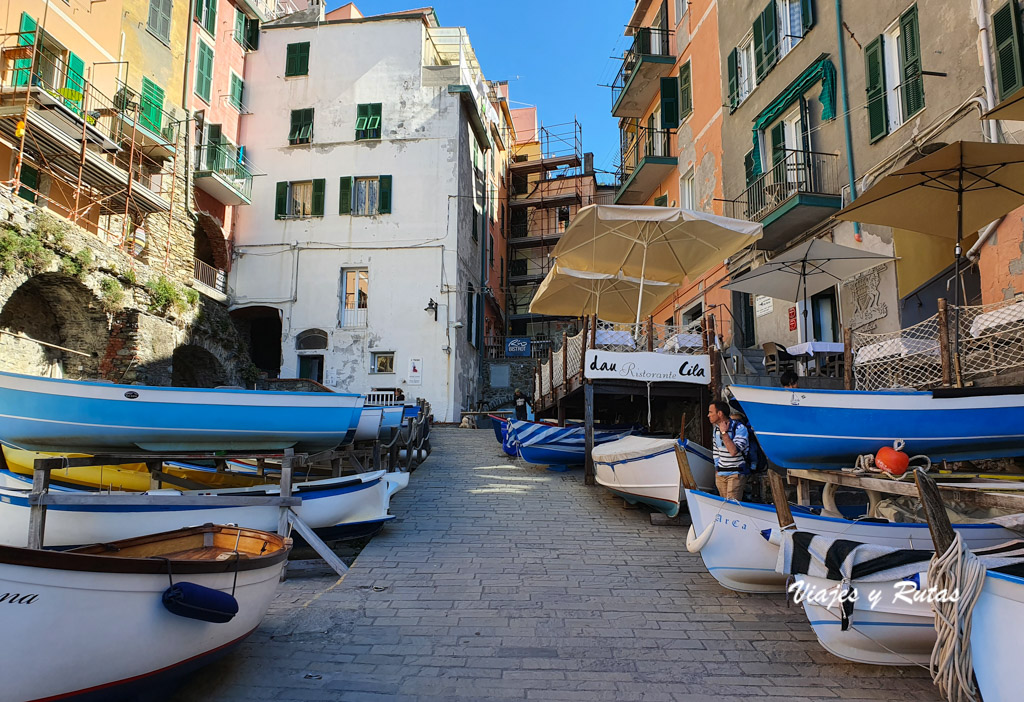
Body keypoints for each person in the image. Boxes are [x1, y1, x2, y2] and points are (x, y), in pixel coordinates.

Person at [708, 399, 748, 501]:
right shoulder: (716, 429)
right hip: (721, 475)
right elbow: (716, 452)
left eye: (711, 412)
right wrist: (717, 469)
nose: (708, 415)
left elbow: (733, 451)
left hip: (735, 474)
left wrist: (724, 433)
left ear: (720, 413)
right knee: (725, 506)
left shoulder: (739, 428)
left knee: (732, 506)